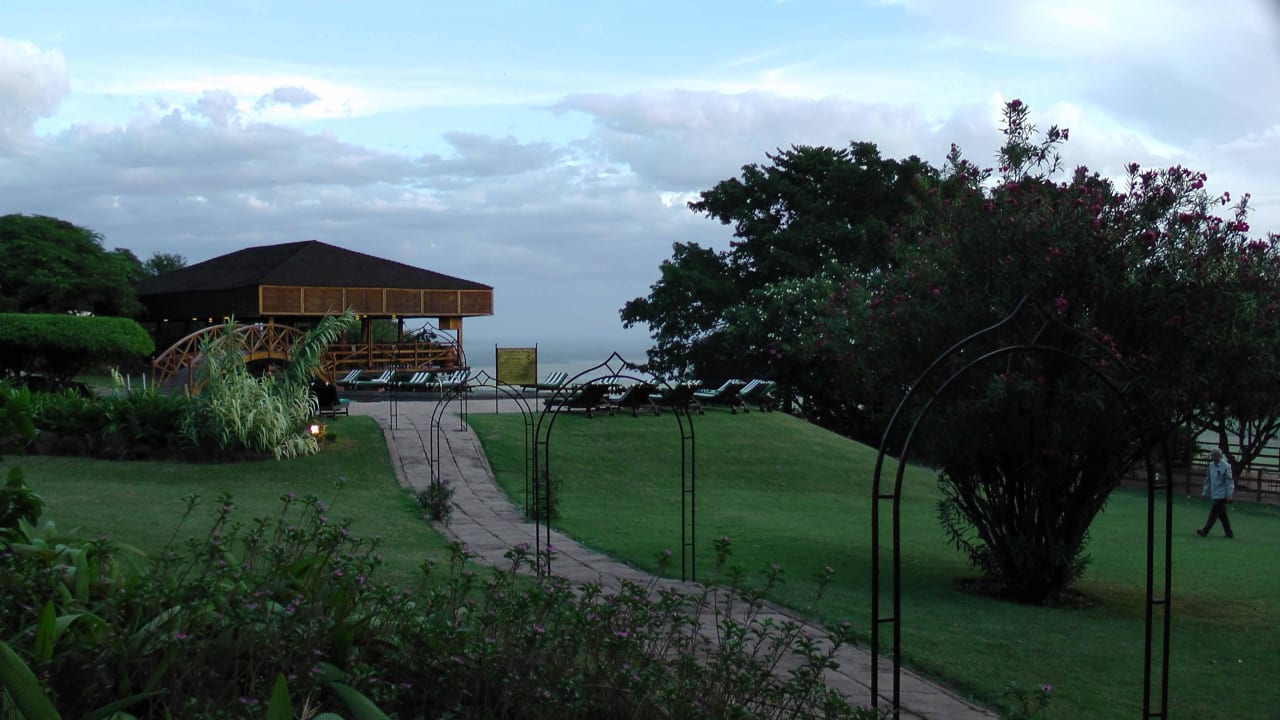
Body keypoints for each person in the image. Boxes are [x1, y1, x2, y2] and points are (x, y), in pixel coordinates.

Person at [1196, 448, 1235, 538]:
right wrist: (1204, 492)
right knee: (1222, 515)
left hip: (1222, 495)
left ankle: (1205, 531)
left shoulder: (1226, 466)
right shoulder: (1211, 466)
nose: (1212, 456)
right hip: (1215, 494)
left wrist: (1229, 495)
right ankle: (1229, 533)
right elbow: (1208, 480)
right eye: (1211, 454)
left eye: (1213, 455)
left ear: (1219, 456)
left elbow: (1229, 482)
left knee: (1213, 513)